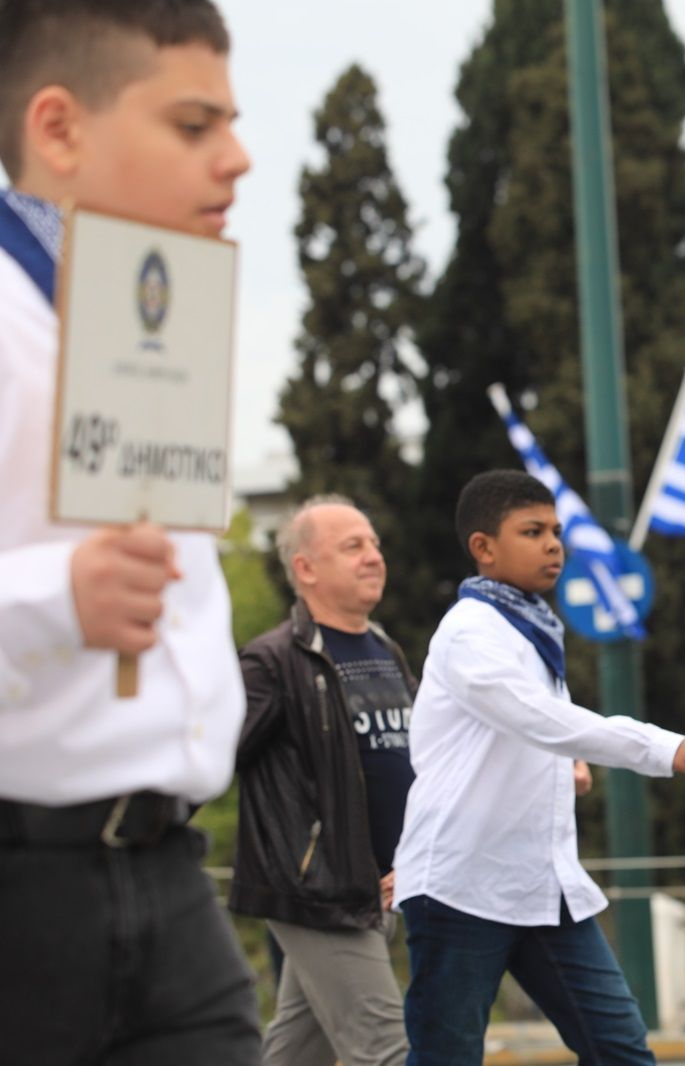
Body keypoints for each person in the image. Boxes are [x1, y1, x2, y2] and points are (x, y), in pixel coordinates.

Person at [0, 2, 257, 1061]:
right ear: (58, 129)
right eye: (194, 125)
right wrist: (52, 601)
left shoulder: (165, 323)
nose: (237, 159)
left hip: (171, 881)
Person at [393, 470, 685, 1066]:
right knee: (446, 1057)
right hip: (462, 884)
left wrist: (565, 763)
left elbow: (539, 729)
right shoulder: (469, 632)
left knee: (621, 1050)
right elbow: (538, 719)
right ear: (483, 549)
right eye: (532, 531)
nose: (553, 544)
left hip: (543, 885)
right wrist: (661, 748)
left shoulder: (533, 629)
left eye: (556, 531)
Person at [232, 496, 415, 1065]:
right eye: (352, 546)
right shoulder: (272, 663)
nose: (373, 557)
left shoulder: (385, 650)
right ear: (305, 568)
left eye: (375, 544)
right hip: (319, 891)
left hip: (381, 887)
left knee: (297, 1048)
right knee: (387, 1050)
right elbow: (208, 755)